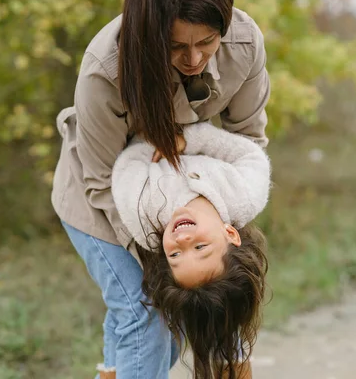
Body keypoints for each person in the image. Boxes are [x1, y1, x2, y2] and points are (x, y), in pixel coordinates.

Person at [51, 0, 270, 377]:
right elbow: (102, 183)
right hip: (106, 200)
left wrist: (211, 229)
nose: (194, 59)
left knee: (221, 284)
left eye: (207, 41)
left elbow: (248, 141)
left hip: (193, 183)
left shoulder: (245, 43)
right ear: (151, 36)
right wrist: (169, 252)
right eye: (176, 47)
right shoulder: (106, 68)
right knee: (144, 312)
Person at [112, 122, 270, 379]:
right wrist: (188, 140)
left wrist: (154, 143)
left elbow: (126, 169)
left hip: (145, 136)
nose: (182, 239)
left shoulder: (146, 213)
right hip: (190, 127)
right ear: (230, 234)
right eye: (200, 247)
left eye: (175, 255)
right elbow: (250, 155)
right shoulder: (245, 196)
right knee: (222, 298)